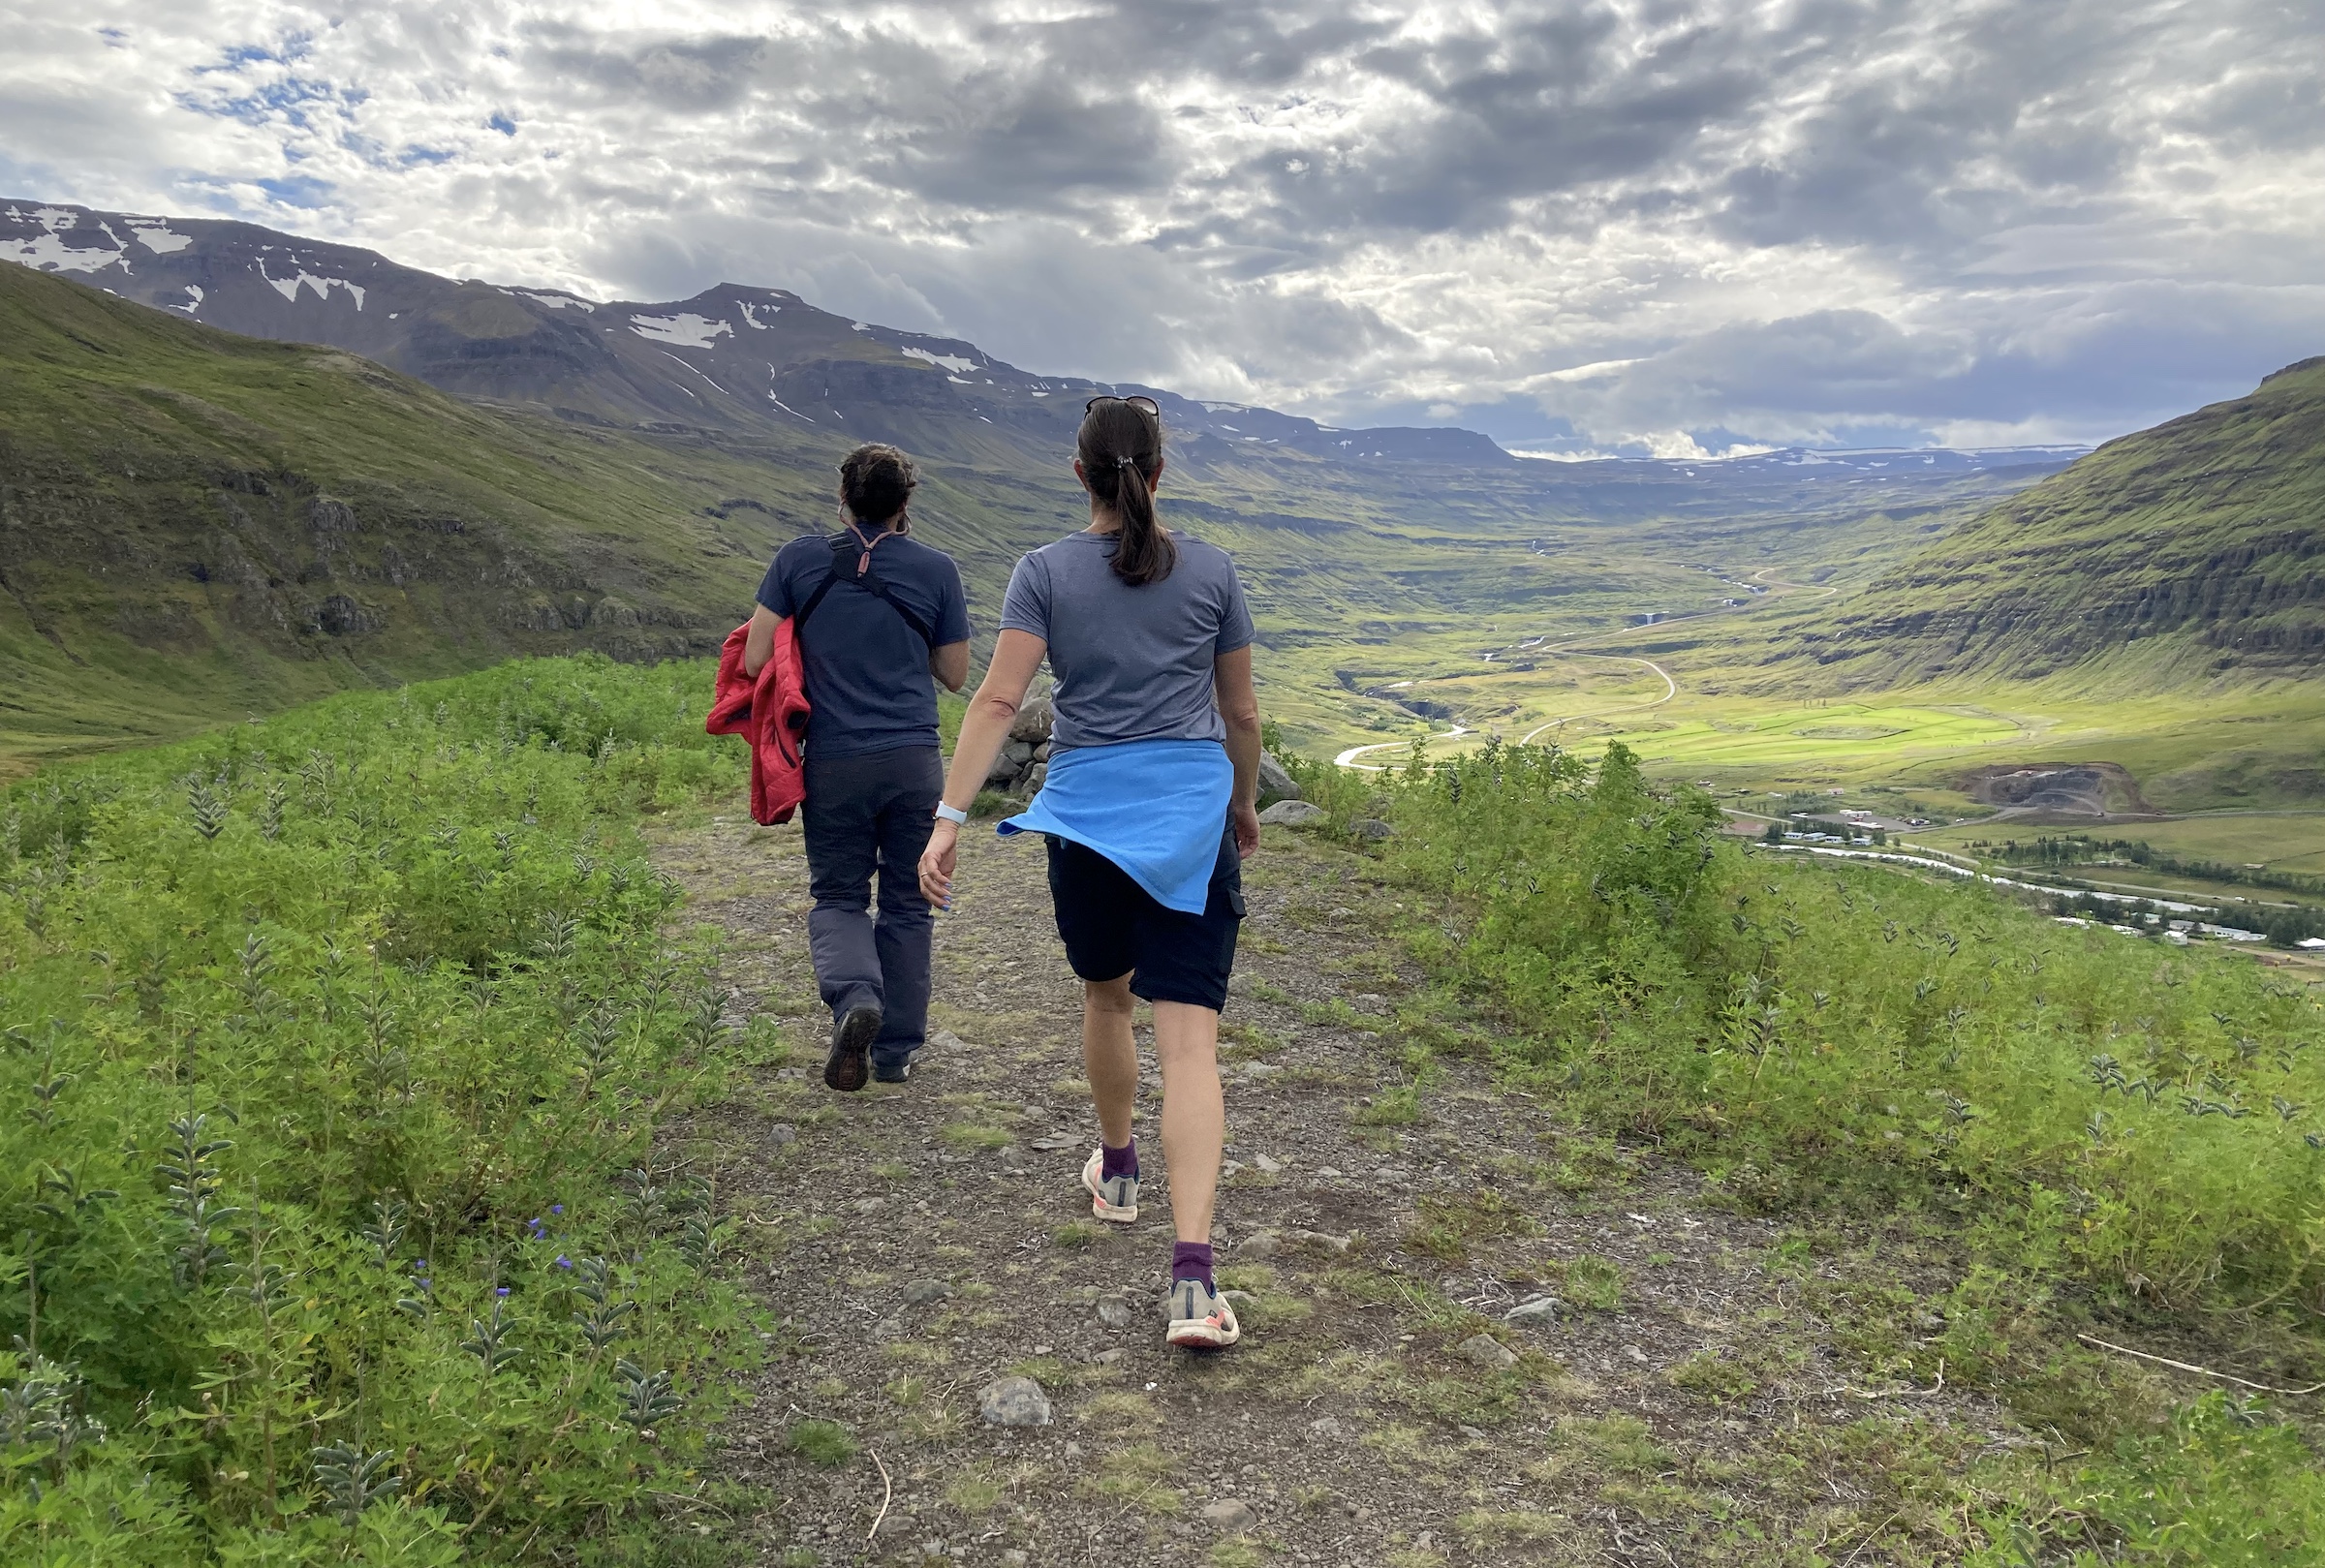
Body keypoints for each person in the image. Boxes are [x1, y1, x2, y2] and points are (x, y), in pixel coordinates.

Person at [918, 396, 1262, 1350]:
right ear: (1159, 472)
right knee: (1190, 1048)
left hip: (1084, 823)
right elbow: (1240, 714)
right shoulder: (1213, 570)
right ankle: (1193, 1283)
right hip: (1190, 823)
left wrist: (948, 819)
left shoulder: (1043, 571)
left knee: (1107, 999)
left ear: (1080, 474)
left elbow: (998, 699)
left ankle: (1117, 1173)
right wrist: (1241, 803)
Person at [744, 444, 971, 1091]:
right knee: (908, 904)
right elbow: (955, 674)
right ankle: (894, 1052)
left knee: (840, 896)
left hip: (835, 761)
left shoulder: (797, 560)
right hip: (913, 761)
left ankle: (855, 998)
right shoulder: (937, 569)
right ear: (906, 502)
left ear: (843, 498)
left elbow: (756, 660)